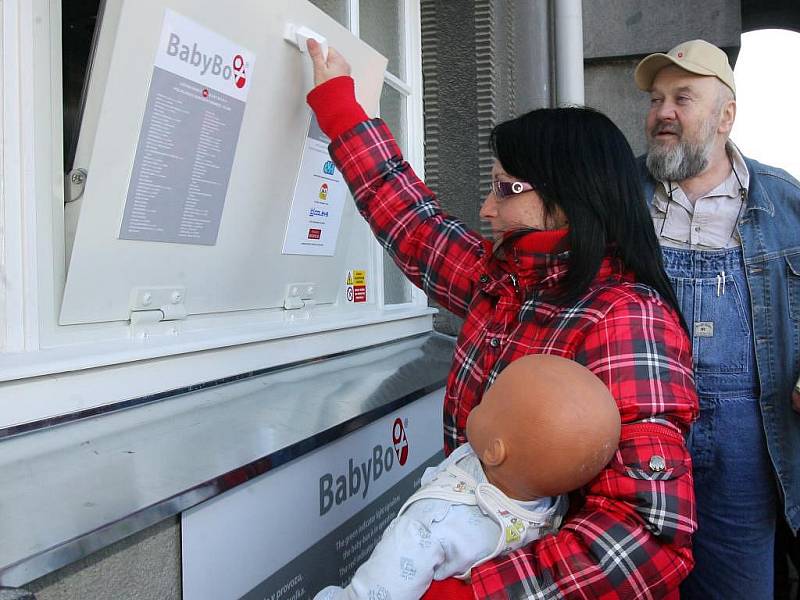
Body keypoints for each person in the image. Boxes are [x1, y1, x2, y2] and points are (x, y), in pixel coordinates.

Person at [304, 39, 698, 598]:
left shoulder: (623, 318)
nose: (487, 208)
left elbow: (647, 535)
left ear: (568, 198)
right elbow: (416, 227)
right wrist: (340, 107)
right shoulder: (509, 281)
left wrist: (474, 593)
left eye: (505, 188)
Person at [634, 38, 800, 598]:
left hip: (748, 441)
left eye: (683, 97)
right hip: (634, 433)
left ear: (726, 115)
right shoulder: (616, 196)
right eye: (657, 99)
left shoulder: (785, 202)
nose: (663, 113)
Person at [314, 355, 621, 600]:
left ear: (494, 452)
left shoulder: (436, 521)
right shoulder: (545, 499)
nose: (479, 399)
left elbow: (379, 589)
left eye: (490, 399)